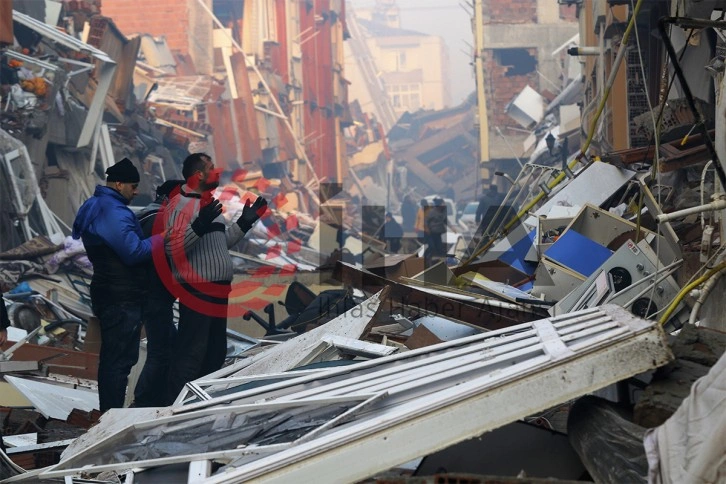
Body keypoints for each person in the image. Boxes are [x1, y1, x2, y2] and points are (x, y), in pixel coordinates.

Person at [164, 153, 267, 403]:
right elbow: (171, 248)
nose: (217, 172)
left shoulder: (208, 205)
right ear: (199, 174)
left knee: (215, 352)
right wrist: (199, 224)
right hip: (197, 289)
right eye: (211, 168)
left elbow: (222, 243)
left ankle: (199, 405)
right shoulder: (179, 205)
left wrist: (244, 222)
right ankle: (171, 407)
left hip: (218, 290)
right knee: (192, 353)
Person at [72, 158, 158, 412]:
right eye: (133, 186)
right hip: (121, 296)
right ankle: (110, 415)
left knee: (113, 358)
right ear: (118, 184)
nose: (136, 191)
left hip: (108, 290)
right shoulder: (113, 211)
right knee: (119, 361)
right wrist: (163, 238)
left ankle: (108, 412)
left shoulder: (96, 205)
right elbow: (133, 252)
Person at [132, 179, 185, 407]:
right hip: (154, 295)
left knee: (166, 347)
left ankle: (153, 400)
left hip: (148, 294)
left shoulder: (145, 216)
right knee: (160, 352)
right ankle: (142, 402)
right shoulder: (159, 220)